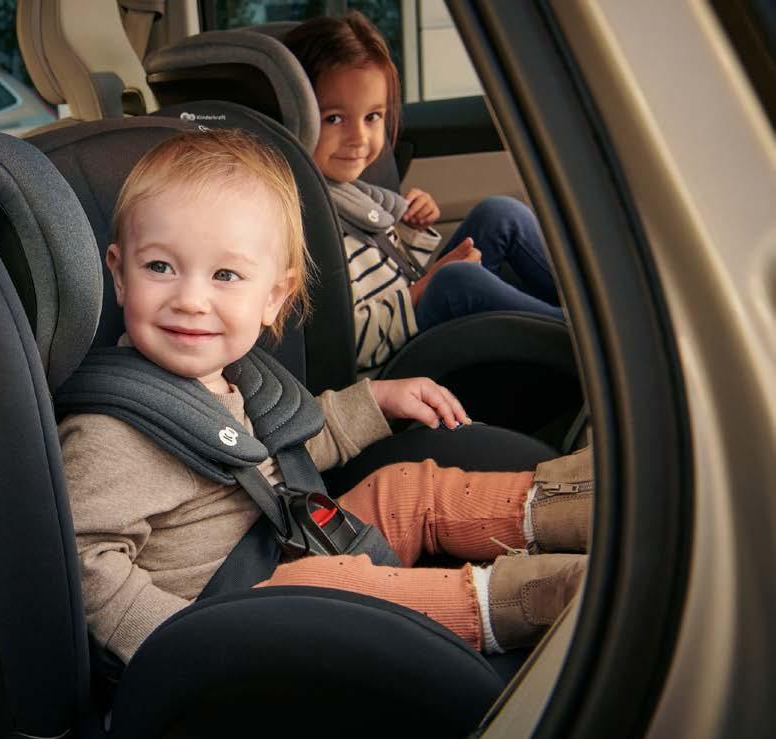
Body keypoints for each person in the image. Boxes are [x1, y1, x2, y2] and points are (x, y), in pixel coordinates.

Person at [57, 128, 591, 665]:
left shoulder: (239, 378)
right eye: (159, 267)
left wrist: (376, 398)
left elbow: (291, 445)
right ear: (119, 276)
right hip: (233, 624)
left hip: (288, 542)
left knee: (406, 489)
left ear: (273, 297)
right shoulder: (111, 434)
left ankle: (575, 505)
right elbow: (81, 560)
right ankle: (546, 598)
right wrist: (182, 640)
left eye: (225, 275)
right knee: (334, 583)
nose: (191, 300)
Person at [282, 12, 565, 370]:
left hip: (407, 326)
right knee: (455, 281)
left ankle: (591, 314)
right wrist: (425, 288)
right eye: (334, 118)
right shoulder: (299, 223)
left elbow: (386, 274)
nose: (359, 138)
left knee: (499, 215)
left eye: (373, 117)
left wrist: (410, 229)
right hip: (394, 373)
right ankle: (576, 340)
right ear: (294, 116)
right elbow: (343, 344)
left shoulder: (347, 194)